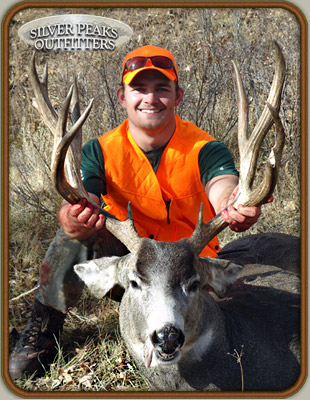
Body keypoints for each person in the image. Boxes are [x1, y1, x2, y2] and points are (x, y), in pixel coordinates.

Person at [9, 45, 264, 379]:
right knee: (72, 238)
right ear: (122, 96)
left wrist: (234, 203)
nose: (150, 98)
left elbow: (222, 185)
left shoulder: (205, 148)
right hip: (133, 268)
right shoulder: (101, 150)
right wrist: (72, 216)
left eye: (162, 89)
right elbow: (82, 193)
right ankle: (41, 334)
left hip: (188, 273)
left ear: (178, 96)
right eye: (139, 89)